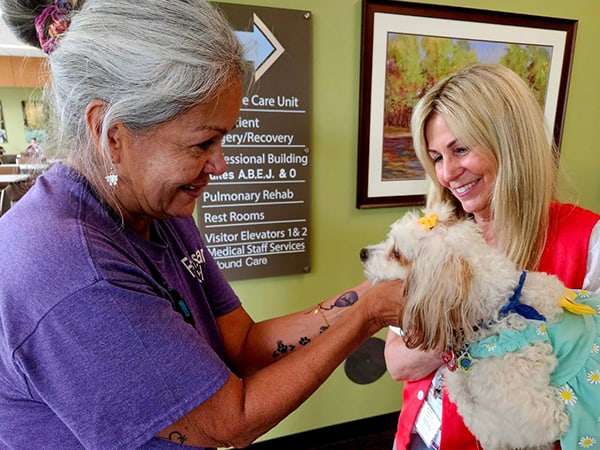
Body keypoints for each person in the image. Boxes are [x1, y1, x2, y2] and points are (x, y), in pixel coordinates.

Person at [0, 1, 404, 449]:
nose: (221, 164)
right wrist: (371, 314)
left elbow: (244, 345)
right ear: (111, 133)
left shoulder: (156, 209)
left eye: (223, 139)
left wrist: (380, 287)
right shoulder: (73, 271)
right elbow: (229, 421)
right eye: (202, 143)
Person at [385, 63, 600, 450]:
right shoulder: (433, 235)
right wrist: (470, 318)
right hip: (421, 435)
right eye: (436, 157)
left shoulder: (587, 240)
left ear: (510, 142)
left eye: (460, 149)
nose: (447, 173)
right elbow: (398, 363)